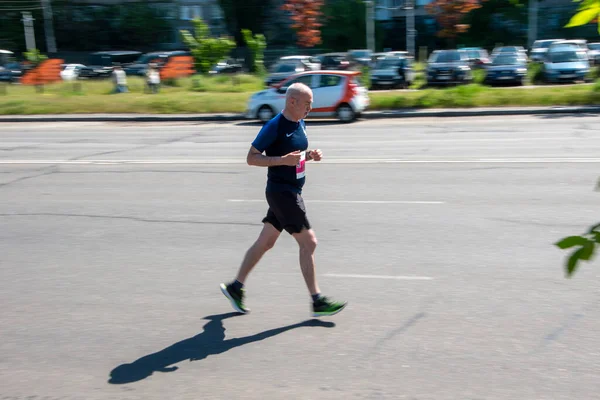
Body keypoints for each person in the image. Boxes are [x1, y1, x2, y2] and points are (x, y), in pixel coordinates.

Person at [220, 82, 347, 317]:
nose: (311, 108)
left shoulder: (300, 122)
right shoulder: (274, 126)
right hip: (283, 193)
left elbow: (295, 156)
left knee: (266, 242)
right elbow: (251, 158)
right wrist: (281, 160)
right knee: (309, 243)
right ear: (292, 102)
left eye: (311, 103)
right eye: (307, 104)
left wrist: (308, 156)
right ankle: (317, 301)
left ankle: (235, 287)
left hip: (290, 191)